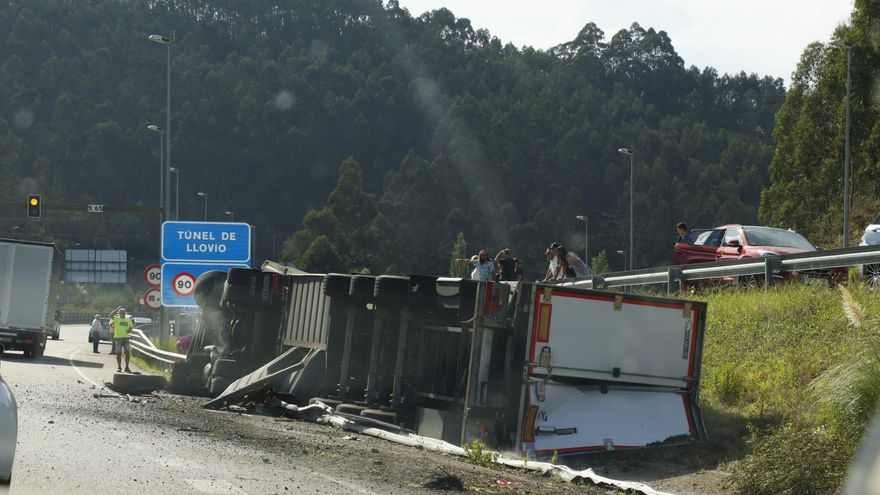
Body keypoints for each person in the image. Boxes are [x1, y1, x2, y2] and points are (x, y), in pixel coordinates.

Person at [109, 306, 133, 373]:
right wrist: (116, 309)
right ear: (119, 313)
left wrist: (129, 330)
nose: (122, 313)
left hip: (126, 338)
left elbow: (131, 327)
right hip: (118, 338)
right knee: (118, 353)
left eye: (123, 312)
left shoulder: (128, 319)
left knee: (127, 353)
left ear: (125, 313)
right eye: (121, 312)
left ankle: (127, 367)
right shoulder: (116, 318)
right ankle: (119, 367)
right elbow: (110, 315)